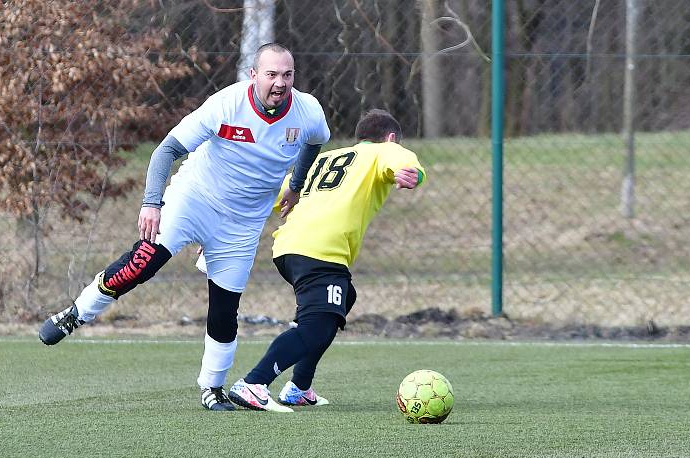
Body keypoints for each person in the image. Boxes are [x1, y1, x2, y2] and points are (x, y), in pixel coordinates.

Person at [38, 43, 331, 412]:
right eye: (271, 74)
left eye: (287, 75)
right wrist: (151, 202)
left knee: (225, 311)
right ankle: (77, 313)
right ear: (253, 75)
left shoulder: (307, 111)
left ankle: (212, 388)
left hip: (242, 224)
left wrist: (296, 183)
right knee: (141, 263)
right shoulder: (226, 104)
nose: (280, 83)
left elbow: (317, 141)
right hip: (194, 201)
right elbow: (166, 151)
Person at [224, 109, 426, 412]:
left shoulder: (324, 159)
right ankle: (254, 383)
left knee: (342, 299)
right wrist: (412, 173)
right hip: (319, 251)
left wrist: (226, 227)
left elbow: (275, 195)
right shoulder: (386, 150)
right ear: (391, 138)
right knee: (317, 326)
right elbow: (404, 163)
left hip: (289, 247)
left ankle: (299, 387)